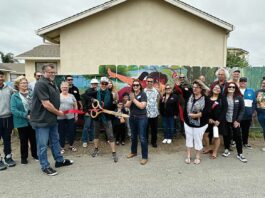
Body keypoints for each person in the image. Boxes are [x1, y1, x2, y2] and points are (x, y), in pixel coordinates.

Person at [31, 64, 73, 176]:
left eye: (54, 72)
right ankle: (45, 166)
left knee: (55, 141)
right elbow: (46, 104)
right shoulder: (40, 84)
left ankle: (59, 161)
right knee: (43, 145)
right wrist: (58, 112)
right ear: (44, 72)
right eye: (50, 72)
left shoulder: (52, 82)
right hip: (41, 120)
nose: (52, 74)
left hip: (52, 119)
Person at [89, 77, 118, 163]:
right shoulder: (95, 93)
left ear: (107, 84)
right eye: (102, 83)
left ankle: (113, 153)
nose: (104, 85)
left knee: (110, 135)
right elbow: (85, 96)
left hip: (107, 117)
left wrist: (114, 103)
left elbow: (113, 107)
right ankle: (96, 149)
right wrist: (92, 100)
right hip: (97, 116)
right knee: (96, 134)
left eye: (106, 83)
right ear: (100, 84)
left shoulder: (111, 94)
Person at [10, 76, 38, 165]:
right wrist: (26, 115)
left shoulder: (32, 93)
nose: (24, 84)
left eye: (26, 83)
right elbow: (13, 109)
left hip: (33, 120)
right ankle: (24, 157)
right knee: (23, 140)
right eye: (22, 83)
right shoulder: (15, 96)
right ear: (18, 85)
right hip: (21, 121)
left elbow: (37, 105)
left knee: (33, 139)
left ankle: (35, 155)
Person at [184, 80, 210, 165]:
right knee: (189, 138)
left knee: (198, 139)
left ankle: (197, 157)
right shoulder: (189, 95)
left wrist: (197, 115)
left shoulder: (205, 98)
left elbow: (207, 111)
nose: (194, 89)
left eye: (197, 87)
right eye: (193, 87)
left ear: (201, 88)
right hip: (188, 122)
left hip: (200, 124)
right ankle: (188, 156)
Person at [222, 82, 247, 163]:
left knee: (238, 136)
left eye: (233, 87)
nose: (231, 88)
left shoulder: (239, 97)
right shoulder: (223, 97)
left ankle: (240, 153)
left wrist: (238, 120)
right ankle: (226, 149)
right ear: (227, 88)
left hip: (235, 121)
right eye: (230, 87)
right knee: (226, 135)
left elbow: (242, 110)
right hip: (225, 120)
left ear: (235, 88)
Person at [126, 79, 148, 165]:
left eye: (137, 85)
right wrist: (131, 99)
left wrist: (133, 99)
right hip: (132, 118)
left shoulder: (143, 94)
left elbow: (142, 106)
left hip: (141, 118)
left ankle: (144, 157)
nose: (135, 86)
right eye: (134, 85)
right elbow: (127, 105)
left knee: (142, 138)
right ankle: (133, 152)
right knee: (133, 137)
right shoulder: (130, 94)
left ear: (140, 86)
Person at [202, 84, 227, 159]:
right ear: (212, 89)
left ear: (220, 90)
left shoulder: (222, 99)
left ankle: (215, 151)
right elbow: (204, 109)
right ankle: (207, 148)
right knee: (205, 135)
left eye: (218, 88)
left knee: (216, 136)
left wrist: (218, 120)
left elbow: (224, 110)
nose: (216, 89)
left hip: (218, 121)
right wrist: (208, 118)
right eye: (215, 87)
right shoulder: (207, 98)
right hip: (208, 120)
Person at [0, 71, 16, 171]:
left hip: (8, 118)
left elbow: (18, 95)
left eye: (1, 77)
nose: (0, 79)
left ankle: (8, 157)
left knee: (7, 139)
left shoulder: (9, 89)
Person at [58, 82, 78, 154]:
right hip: (60, 117)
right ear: (61, 88)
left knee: (71, 131)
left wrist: (76, 115)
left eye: (66, 87)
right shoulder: (58, 96)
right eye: (63, 87)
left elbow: (75, 105)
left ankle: (71, 145)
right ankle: (62, 147)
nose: (65, 88)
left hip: (71, 116)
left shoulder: (72, 96)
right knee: (61, 132)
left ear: (68, 88)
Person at [81, 78, 99, 147]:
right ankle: (84, 140)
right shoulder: (88, 91)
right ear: (91, 84)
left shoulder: (96, 91)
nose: (95, 85)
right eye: (94, 84)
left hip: (94, 111)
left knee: (92, 126)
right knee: (87, 126)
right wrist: (85, 111)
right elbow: (84, 100)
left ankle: (91, 139)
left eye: (96, 84)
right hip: (88, 111)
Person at [239, 77, 255, 149]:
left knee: (246, 130)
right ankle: (235, 142)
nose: (243, 82)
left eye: (244, 81)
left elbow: (254, 102)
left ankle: (245, 143)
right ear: (239, 82)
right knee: (236, 129)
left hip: (247, 115)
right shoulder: (236, 90)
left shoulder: (251, 91)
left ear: (246, 82)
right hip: (238, 115)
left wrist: (252, 111)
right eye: (241, 81)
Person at [144, 76, 160, 148]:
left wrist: (156, 108)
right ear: (146, 82)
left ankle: (154, 142)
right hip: (145, 114)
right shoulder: (143, 91)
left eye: (151, 81)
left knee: (154, 129)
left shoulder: (156, 90)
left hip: (154, 114)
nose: (149, 82)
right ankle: (146, 141)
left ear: (153, 82)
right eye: (148, 81)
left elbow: (158, 100)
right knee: (145, 129)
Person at [255, 79, 265, 151]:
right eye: (263, 83)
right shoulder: (258, 92)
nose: (264, 84)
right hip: (261, 114)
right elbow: (254, 102)